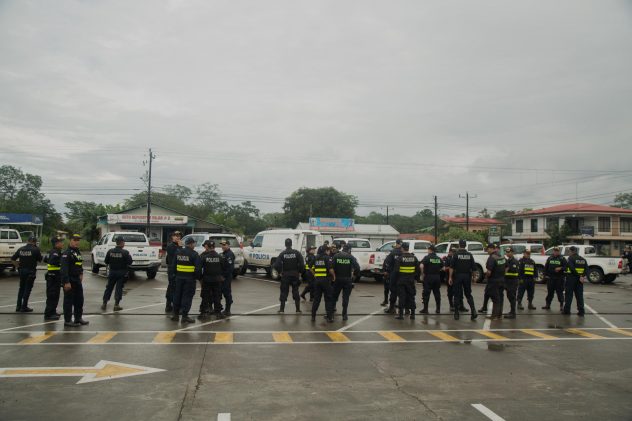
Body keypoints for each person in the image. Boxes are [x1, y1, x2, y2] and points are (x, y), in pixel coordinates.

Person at [171, 236, 201, 324]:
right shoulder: (194, 254)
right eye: (194, 243)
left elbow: (174, 266)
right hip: (189, 280)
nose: (194, 245)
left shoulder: (178, 253)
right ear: (191, 244)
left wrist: (176, 276)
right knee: (187, 297)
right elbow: (198, 269)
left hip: (179, 278)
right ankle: (184, 317)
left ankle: (175, 315)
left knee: (177, 296)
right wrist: (196, 277)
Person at [61, 234, 88, 327]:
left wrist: (81, 273)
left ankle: (78, 318)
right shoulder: (67, 253)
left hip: (77, 280)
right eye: (75, 240)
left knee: (79, 300)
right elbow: (64, 269)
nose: (77, 242)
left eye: (78, 240)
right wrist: (66, 282)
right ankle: (68, 320)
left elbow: (79, 264)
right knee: (68, 301)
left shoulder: (77, 252)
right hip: (70, 280)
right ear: (70, 241)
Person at [101, 236, 132, 311]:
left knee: (109, 288)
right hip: (121, 273)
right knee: (119, 289)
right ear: (121, 243)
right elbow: (130, 262)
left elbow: (106, 261)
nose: (124, 243)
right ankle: (116, 305)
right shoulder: (125, 252)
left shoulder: (110, 251)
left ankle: (104, 303)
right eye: (123, 242)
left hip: (112, 272)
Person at [11, 236, 42, 312]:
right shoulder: (36, 249)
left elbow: (13, 259)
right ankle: (24, 307)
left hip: (22, 271)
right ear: (34, 242)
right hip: (30, 271)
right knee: (27, 289)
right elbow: (40, 260)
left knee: (21, 288)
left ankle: (18, 306)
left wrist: (18, 266)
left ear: (28, 241)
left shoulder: (21, 249)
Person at [449, 239, 478, 320]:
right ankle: (473, 311)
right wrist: (474, 278)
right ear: (465, 245)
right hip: (467, 276)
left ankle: (456, 313)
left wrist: (450, 277)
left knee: (457, 295)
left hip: (458, 276)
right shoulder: (469, 255)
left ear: (459, 245)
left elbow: (451, 267)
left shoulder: (456, 255)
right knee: (468, 294)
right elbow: (474, 268)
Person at [274, 238, 305, 313]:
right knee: (295, 291)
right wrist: (300, 272)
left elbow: (276, 265)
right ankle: (297, 309)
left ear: (285, 244)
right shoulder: (296, 253)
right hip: (295, 275)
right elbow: (302, 263)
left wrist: (280, 272)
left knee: (284, 292)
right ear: (291, 244)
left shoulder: (282, 254)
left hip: (286, 275)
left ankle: (282, 309)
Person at [330, 244, 361, 321]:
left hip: (337, 279)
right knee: (346, 298)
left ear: (343, 249)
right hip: (347, 280)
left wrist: (333, 277)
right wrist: (354, 277)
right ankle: (344, 315)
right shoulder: (351, 257)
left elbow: (331, 267)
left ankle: (331, 314)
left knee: (334, 297)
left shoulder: (336, 256)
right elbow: (357, 268)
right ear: (349, 250)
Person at [199, 240, 227, 319]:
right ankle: (218, 312)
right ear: (214, 247)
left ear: (207, 246)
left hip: (207, 280)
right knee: (217, 296)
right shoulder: (220, 257)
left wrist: (200, 277)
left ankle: (203, 312)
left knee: (205, 296)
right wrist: (221, 276)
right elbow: (224, 268)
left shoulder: (204, 257)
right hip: (217, 280)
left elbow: (199, 268)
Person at [393, 242, 419, 320]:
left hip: (401, 281)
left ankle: (401, 315)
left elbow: (396, 271)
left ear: (402, 248)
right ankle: (413, 314)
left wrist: (394, 281)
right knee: (411, 297)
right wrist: (415, 279)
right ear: (408, 248)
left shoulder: (400, 258)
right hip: (411, 281)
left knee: (402, 297)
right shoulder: (414, 258)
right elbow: (417, 270)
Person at [311, 246, 334, 322]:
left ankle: (313, 317)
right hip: (325, 281)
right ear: (326, 251)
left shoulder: (315, 257)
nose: (329, 252)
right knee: (328, 299)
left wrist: (315, 274)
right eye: (328, 250)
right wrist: (334, 276)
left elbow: (309, 267)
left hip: (317, 281)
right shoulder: (327, 258)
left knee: (316, 299)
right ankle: (329, 317)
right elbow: (330, 269)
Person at [563, 246, 588, 316]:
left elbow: (572, 268)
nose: (569, 253)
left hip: (571, 279)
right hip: (580, 281)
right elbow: (587, 269)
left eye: (569, 251)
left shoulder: (570, 258)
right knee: (579, 296)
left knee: (569, 296)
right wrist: (582, 276)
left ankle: (567, 311)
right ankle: (581, 311)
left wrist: (579, 276)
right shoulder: (582, 259)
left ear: (571, 251)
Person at [43, 237, 64, 320]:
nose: (62, 244)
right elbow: (52, 261)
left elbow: (45, 259)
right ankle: (48, 314)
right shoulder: (55, 253)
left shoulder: (52, 251)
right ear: (56, 244)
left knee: (55, 296)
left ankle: (53, 312)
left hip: (55, 277)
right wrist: (61, 262)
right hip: (53, 277)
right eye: (61, 242)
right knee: (52, 295)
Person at [484, 243, 506, 321]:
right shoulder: (501, 256)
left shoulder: (492, 258)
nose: (487, 251)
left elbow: (489, 271)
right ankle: (499, 314)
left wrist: (486, 276)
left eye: (488, 249)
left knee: (495, 299)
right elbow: (506, 267)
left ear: (491, 249)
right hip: (502, 280)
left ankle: (494, 315)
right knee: (500, 297)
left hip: (494, 281)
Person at [420, 245, 443, 314]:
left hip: (428, 277)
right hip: (437, 277)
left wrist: (422, 274)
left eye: (428, 249)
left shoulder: (427, 258)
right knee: (437, 293)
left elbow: (421, 265)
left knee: (426, 293)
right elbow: (443, 267)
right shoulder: (438, 258)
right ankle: (438, 309)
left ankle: (425, 309)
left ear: (430, 250)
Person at [543, 247, 566, 312]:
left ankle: (561, 305)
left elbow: (566, 267)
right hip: (551, 279)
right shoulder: (550, 258)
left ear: (559, 252)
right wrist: (545, 276)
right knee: (550, 292)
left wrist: (560, 268)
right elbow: (546, 268)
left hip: (559, 279)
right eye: (555, 251)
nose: (556, 252)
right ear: (553, 251)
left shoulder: (562, 258)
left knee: (560, 293)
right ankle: (548, 305)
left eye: (557, 251)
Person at [383, 239, 403, 314]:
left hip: (393, 275)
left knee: (393, 292)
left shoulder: (392, 253)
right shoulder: (405, 254)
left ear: (397, 244)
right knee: (403, 293)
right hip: (403, 276)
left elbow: (387, 262)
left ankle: (392, 308)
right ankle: (406, 310)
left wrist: (386, 271)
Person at [165, 231, 183, 313]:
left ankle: (172, 305)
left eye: (179, 236)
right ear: (172, 237)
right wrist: (180, 247)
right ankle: (170, 305)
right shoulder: (170, 246)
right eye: (175, 236)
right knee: (172, 288)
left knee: (176, 288)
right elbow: (176, 255)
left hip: (178, 269)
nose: (177, 237)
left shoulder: (180, 246)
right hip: (172, 269)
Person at [502, 247, 519, 319]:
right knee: (509, 296)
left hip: (512, 281)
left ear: (512, 253)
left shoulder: (514, 261)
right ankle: (511, 311)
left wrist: (507, 269)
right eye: (506, 252)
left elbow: (513, 270)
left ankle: (513, 313)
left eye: (509, 252)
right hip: (508, 281)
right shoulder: (508, 260)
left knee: (512, 297)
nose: (507, 253)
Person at [221, 240, 236, 316]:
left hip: (226, 277)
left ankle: (228, 310)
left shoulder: (229, 254)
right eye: (222, 245)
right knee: (222, 292)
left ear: (228, 245)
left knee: (227, 293)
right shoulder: (224, 254)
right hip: (222, 277)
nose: (223, 246)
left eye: (224, 245)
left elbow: (230, 268)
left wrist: (223, 276)